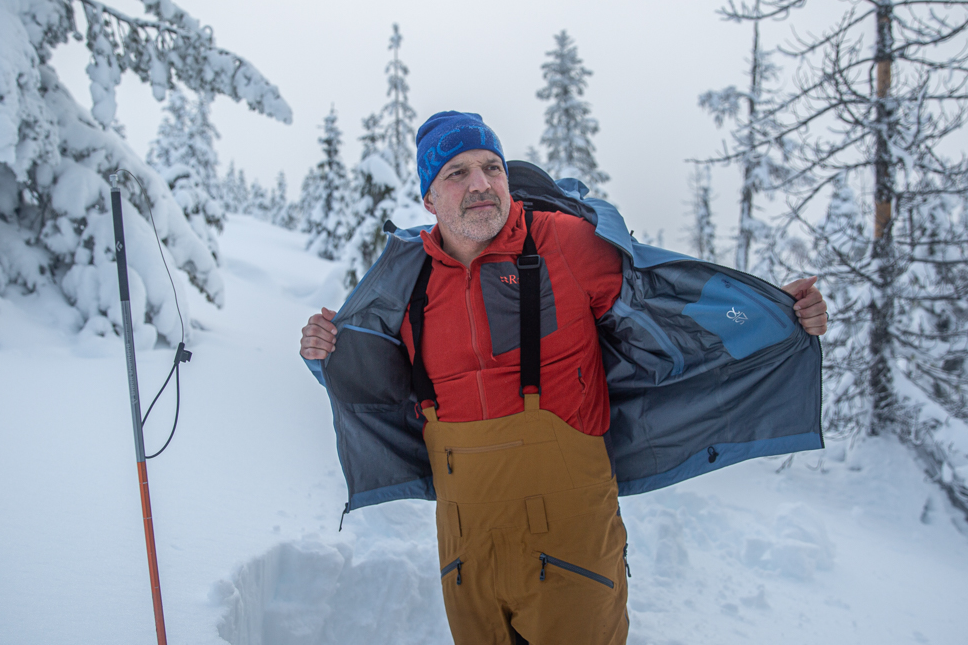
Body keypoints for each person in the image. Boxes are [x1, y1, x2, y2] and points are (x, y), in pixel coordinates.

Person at [300, 111, 827, 645]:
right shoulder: (406, 285)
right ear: (429, 200)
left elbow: (676, 304)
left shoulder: (568, 244)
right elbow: (377, 394)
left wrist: (779, 314)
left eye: (491, 167)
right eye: (457, 173)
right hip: (465, 555)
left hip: (570, 543)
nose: (481, 184)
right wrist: (325, 355)